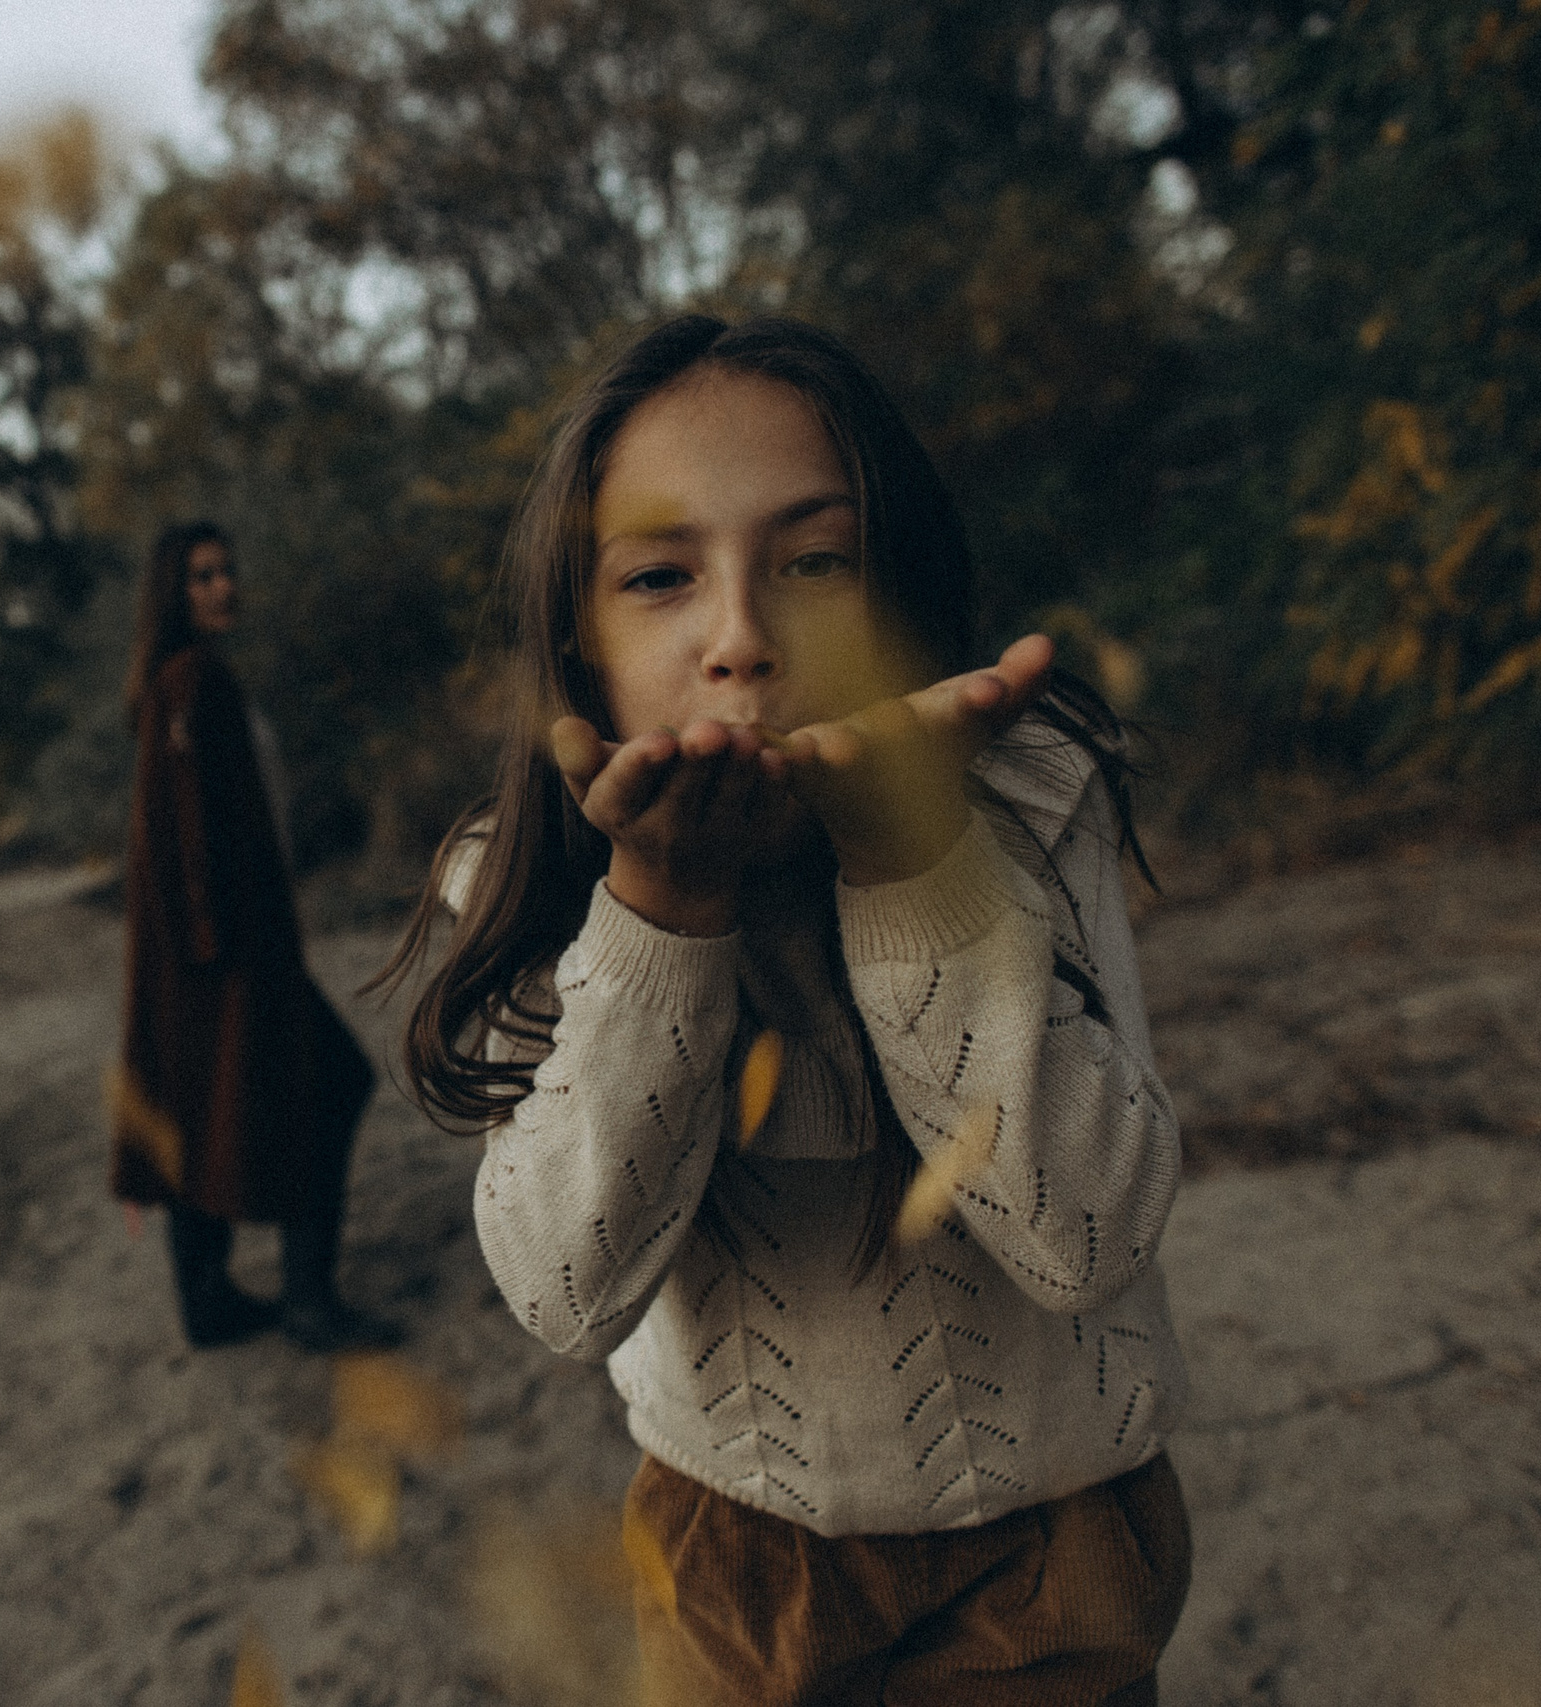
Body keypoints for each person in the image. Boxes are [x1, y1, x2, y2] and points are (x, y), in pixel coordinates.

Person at [382, 317, 1189, 1703]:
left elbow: (1087, 1237)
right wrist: (661, 906)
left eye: (815, 562)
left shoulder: (1031, 799)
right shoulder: (534, 873)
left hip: (1061, 1540)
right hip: (737, 1553)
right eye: (659, 577)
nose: (742, 641)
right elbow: (566, 1291)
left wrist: (911, 860)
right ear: (578, 641)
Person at [114, 521, 397, 1354]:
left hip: (211, 951)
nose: (225, 586)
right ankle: (309, 1300)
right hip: (232, 954)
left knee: (203, 1106)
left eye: (228, 570)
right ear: (173, 592)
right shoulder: (194, 678)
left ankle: (208, 1301)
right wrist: (222, 951)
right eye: (203, 575)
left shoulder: (181, 678)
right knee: (333, 1083)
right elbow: (192, 830)